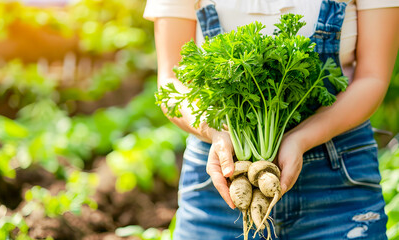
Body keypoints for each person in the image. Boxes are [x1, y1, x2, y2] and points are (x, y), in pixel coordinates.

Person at [143, 0, 399, 239]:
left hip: (338, 176)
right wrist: (216, 134)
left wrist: (300, 138)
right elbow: (171, 81)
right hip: (222, 173)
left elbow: (372, 77)